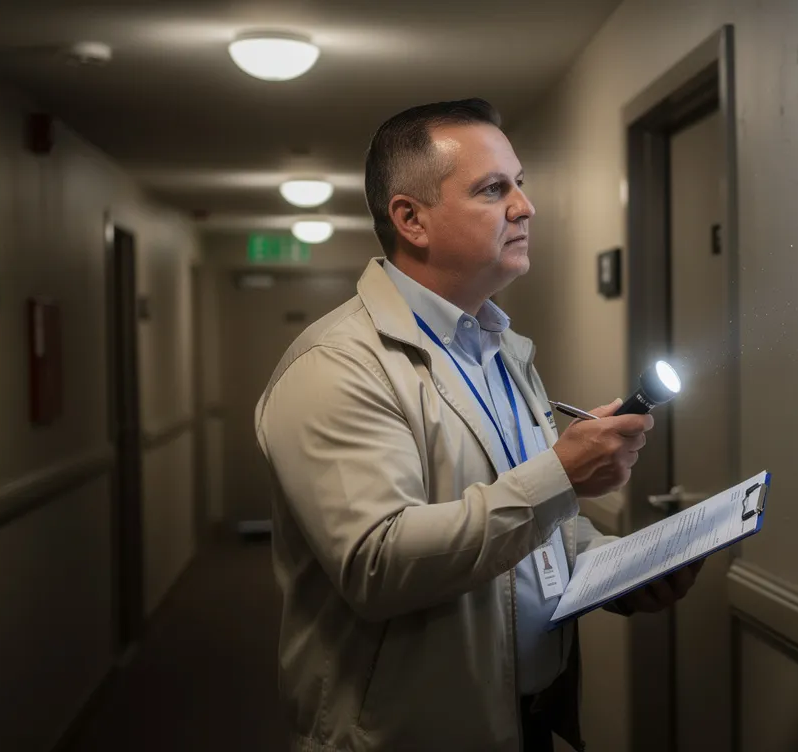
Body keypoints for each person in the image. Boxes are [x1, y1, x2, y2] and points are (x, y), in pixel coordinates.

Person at [254, 98, 704, 752]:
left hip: (530, 719)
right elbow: (378, 565)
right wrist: (562, 474)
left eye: (520, 183)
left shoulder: (499, 347)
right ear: (411, 219)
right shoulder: (337, 366)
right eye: (494, 189)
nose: (525, 206)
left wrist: (619, 570)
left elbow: (527, 532)